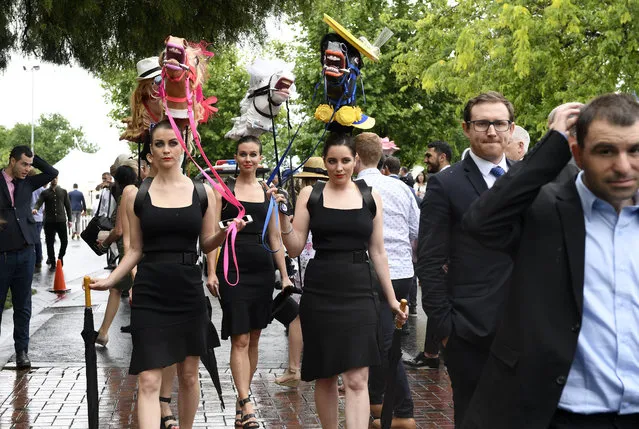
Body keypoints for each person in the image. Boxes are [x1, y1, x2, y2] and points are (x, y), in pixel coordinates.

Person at [461, 95, 639, 429]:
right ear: (578, 154)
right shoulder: (545, 209)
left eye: (635, 150)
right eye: (606, 151)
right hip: (557, 412)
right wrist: (552, 144)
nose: (624, 166)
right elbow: (480, 224)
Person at [89, 120, 242, 429]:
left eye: (173, 143)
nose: (167, 149)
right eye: (159, 144)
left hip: (187, 289)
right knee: (147, 377)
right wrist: (111, 280)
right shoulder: (136, 194)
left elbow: (207, 241)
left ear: (184, 146)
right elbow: (133, 250)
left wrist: (226, 233)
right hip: (150, 290)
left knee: (187, 376)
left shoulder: (204, 192)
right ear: (150, 152)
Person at [269, 132, 407, 429]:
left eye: (345, 160)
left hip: (359, 287)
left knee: (358, 377)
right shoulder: (311, 194)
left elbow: (379, 252)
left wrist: (393, 299)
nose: (339, 167)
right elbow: (293, 246)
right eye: (332, 161)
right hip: (321, 289)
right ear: (326, 162)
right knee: (326, 373)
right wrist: (282, 216)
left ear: (356, 160)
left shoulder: (370, 196)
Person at [416, 91, 515, 427]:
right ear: (466, 128)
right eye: (482, 123)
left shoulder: (526, 178)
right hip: (469, 332)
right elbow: (429, 259)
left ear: (510, 128)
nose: (491, 131)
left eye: (499, 123)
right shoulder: (446, 184)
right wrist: (445, 329)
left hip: (524, 328)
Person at [207, 135, 292, 429]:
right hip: (232, 268)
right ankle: (246, 401)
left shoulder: (268, 194)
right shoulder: (223, 190)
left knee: (254, 336)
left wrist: (284, 275)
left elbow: (275, 237)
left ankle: (242, 402)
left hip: (261, 269)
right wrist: (210, 271)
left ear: (260, 158)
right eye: (243, 154)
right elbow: (211, 235)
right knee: (240, 337)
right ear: (236, 157)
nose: (248, 159)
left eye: (253, 154)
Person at [355, 132, 418, 429]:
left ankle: (402, 411)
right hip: (403, 271)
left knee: (383, 343)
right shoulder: (400, 187)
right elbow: (417, 230)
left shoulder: (355, 189)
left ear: (355, 157)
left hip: (372, 273)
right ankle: (378, 403)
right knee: (382, 340)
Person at [274, 156, 330, 389]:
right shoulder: (326, 194)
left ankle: (296, 368)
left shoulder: (309, 195)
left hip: (308, 261)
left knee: (299, 315)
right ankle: (300, 368)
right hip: (313, 261)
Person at [1, 145, 58, 369]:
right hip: (2, 253)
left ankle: (21, 352)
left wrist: (34, 159)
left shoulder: (28, 182)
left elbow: (52, 173)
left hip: (26, 250)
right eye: (23, 164)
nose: (27, 169)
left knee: (23, 305)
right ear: (11, 160)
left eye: (29, 164)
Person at [405, 139, 452, 369]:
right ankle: (432, 352)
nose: (425, 160)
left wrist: (429, 260)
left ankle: (436, 353)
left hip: (442, 259)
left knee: (437, 304)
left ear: (442, 156)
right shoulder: (445, 179)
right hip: (443, 259)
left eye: (429, 155)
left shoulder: (442, 181)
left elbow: (430, 227)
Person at [94, 164, 138, 346]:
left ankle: (103, 332)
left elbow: (119, 230)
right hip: (140, 249)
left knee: (115, 289)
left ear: (118, 181)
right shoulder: (140, 191)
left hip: (128, 252)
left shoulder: (124, 196)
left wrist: (104, 243)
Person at [34, 176, 72, 271]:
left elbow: (68, 206)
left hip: (61, 221)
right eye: (52, 178)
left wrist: (70, 219)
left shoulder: (63, 191)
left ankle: (60, 257)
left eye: (55, 178)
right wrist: (36, 208)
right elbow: (39, 202)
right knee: (49, 243)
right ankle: (53, 262)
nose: (54, 180)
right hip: (49, 222)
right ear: (49, 180)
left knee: (64, 241)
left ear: (58, 179)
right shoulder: (45, 192)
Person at [96, 171, 117, 269]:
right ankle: (111, 261)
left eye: (106, 179)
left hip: (114, 217)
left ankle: (113, 260)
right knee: (107, 239)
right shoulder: (104, 191)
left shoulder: (114, 188)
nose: (104, 181)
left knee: (112, 239)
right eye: (103, 179)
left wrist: (107, 184)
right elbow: (103, 205)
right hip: (106, 217)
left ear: (110, 179)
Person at [30, 180, 45, 270]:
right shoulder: (42, 189)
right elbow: (44, 206)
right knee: (37, 239)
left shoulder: (29, 188)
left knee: (31, 240)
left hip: (30, 216)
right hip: (39, 217)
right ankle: (38, 259)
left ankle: (36, 259)